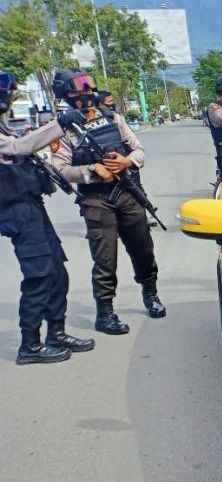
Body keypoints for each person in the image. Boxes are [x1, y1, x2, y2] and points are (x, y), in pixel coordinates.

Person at [49, 68, 166, 335]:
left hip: (127, 192)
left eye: (87, 87)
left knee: (143, 249)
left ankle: (151, 296)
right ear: (67, 97)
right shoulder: (63, 131)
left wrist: (127, 161)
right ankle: (105, 314)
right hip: (96, 200)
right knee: (105, 259)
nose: (85, 94)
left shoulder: (113, 118)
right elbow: (60, 169)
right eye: (77, 90)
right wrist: (91, 170)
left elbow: (138, 149)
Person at [0, 71, 94, 365]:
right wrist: (59, 124)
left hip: (30, 206)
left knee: (56, 270)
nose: (10, 97)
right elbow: (18, 148)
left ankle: (56, 332)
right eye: (8, 93)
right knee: (39, 275)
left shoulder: (3, 127)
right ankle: (30, 345)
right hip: (16, 211)